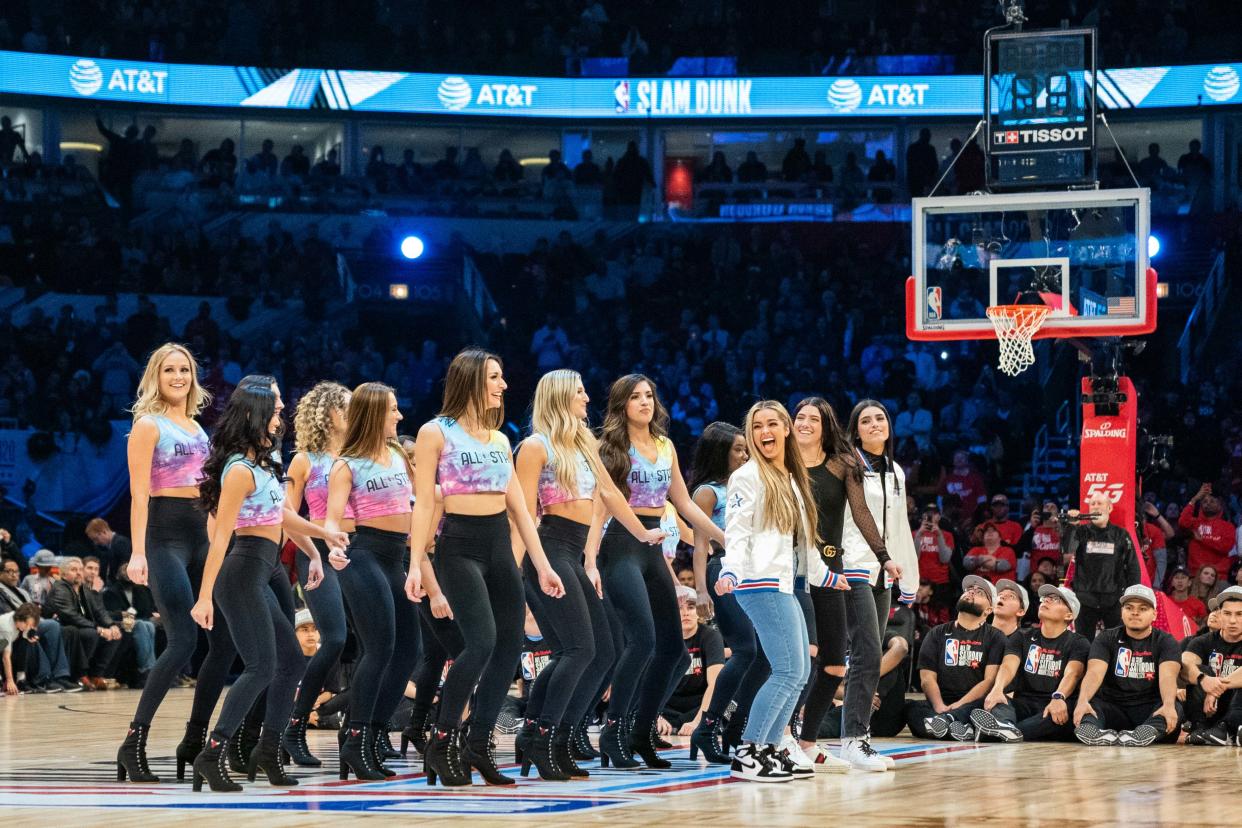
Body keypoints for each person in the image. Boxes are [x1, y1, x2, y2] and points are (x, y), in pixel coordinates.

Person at [405, 350, 566, 788]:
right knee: (480, 643)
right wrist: (417, 562)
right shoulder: (434, 432)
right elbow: (422, 507)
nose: (504, 385)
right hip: (458, 546)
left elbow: (521, 509)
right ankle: (441, 740)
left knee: (510, 645)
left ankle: (478, 744)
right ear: (473, 380)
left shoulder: (499, 439)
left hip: (498, 545)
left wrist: (543, 565)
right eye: (495, 377)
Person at [188, 383, 344, 792]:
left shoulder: (264, 464)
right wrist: (204, 597)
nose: (279, 418)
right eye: (273, 413)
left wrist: (325, 536)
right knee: (260, 667)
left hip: (259, 571)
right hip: (239, 574)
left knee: (290, 661)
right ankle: (211, 753)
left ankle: (268, 750)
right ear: (255, 416)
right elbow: (221, 537)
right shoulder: (238, 470)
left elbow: (283, 518)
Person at [513, 370, 663, 780]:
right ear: (561, 397)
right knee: (578, 650)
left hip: (573, 553)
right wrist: (525, 570)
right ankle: (545, 737)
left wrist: (643, 533)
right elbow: (523, 514)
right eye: (579, 391)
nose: (586, 397)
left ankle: (543, 735)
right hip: (549, 550)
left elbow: (611, 495)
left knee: (602, 652)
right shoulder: (534, 447)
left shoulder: (583, 442)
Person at [593, 374, 724, 770]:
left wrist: (722, 535)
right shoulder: (610, 446)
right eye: (635, 397)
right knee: (643, 641)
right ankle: (613, 730)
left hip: (653, 548)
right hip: (619, 545)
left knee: (674, 649)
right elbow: (603, 504)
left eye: (649, 395)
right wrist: (588, 557)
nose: (645, 402)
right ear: (622, 405)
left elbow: (683, 501)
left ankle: (640, 730)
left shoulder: (665, 445)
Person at [115, 343, 231, 784]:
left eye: (184, 369)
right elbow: (139, 494)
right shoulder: (148, 425)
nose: (178, 376)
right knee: (182, 641)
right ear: (156, 376)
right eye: (169, 370)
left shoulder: (198, 429)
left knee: (224, 641)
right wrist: (138, 551)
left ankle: (196, 739)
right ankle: (133, 743)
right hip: (163, 536)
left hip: (200, 534)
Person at [716, 401, 835, 782]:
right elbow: (737, 531)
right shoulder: (747, 477)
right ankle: (750, 751)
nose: (765, 431)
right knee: (786, 670)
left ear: (785, 429)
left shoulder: (790, 479)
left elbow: (804, 543)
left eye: (772, 423)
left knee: (798, 673)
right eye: (757, 426)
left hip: (784, 584)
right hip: (757, 583)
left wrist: (826, 575)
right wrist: (731, 570)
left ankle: (767, 749)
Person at [325, 382, 421, 781]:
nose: (399, 416)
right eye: (392, 410)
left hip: (396, 556)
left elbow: (422, 498)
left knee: (409, 650)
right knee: (379, 647)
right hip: (363, 556)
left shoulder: (398, 454)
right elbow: (332, 517)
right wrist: (332, 541)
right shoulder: (346, 463)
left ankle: (371, 731)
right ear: (373, 413)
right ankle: (356, 738)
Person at [792, 397, 882, 772]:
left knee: (833, 664)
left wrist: (884, 554)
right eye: (800, 417)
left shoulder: (843, 464)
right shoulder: (782, 464)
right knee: (796, 658)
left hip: (831, 569)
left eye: (814, 418)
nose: (806, 423)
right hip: (789, 571)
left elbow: (861, 512)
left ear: (826, 426)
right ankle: (777, 739)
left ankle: (808, 741)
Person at [839, 399, 918, 771]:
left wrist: (909, 577)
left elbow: (900, 525)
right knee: (868, 651)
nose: (875, 425)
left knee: (861, 654)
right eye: (866, 421)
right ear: (855, 430)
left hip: (885, 573)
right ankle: (855, 738)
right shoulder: (848, 464)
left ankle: (840, 737)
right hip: (852, 565)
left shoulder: (896, 471)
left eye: (880, 418)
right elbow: (857, 516)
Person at [281, 381, 352, 768]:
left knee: (378, 645)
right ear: (328, 415)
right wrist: (313, 551)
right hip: (319, 554)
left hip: (360, 551)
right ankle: (295, 724)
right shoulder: (304, 460)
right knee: (335, 638)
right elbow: (287, 517)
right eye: (347, 407)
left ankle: (359, 729)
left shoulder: (361, 454)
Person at [689, 422, 754, 765]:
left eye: (746, 449)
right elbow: (700, 547)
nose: (745, 454)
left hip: (753, 573)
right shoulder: (708, 492)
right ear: (721, 453)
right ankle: (708, 726)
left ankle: (736, 726)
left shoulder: (748, 484)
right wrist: (701, 591)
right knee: (745, 650)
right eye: (738, 449)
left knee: (760, 656)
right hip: (722, 573)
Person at [971, 583, 1090, 742]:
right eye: (1045, 598)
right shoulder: (1022, 636)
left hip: (1055, 704)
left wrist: (1059, 697)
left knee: (1060, 713)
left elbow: (1073, 674)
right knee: (998, 701)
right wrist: (998, 689)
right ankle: (1005, 729)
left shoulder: (1078, 642)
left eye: (1055, 599)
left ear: (1069, 615)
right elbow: (1008, 666)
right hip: (1025, 704)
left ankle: (1001, 731)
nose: (1046, 600)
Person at [1073, 585, 1182, 746]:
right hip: (1114, 707)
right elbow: (1094, 673)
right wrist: (1082, 701)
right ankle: (1091, 731)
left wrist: (1168, 705)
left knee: (1174, 706)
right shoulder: (1106, 638)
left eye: (1143, 608)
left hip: (1148, 707)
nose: (1135, 612)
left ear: (1154, 614)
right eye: (1129, 607)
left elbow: (1168, 676)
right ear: (1121, 612)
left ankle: (1145, 733)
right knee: (1090, 703)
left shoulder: (1166, 641)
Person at [907, 575, 1005, 741]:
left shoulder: (996, 636)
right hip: (941, 701)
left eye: (980, 592)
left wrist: (958, 706)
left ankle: (945, 726)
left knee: (983, 709)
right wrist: (939, 706)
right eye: (968, 590)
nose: (971, 592)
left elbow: (989, 681)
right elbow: (927, 678)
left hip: (973, 702)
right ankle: (955, 729)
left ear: (989, 610)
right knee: (911, 708)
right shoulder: (937, 632)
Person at [1062, 492, 1141, 641]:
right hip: (1085, 598)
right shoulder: (1081, 531)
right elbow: (1068, 549)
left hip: (1114, 598)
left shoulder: (1121, 534)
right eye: (1092, 504)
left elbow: (1133, 566)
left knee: (1116, 642)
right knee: (1082, 644)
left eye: (1100, 503)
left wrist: (1132, 596)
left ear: (1109, 508)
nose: (1095, 506)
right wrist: (1072, 527)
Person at [47, 557, 124, 690]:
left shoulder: (83, 589)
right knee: (91, 634)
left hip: (83, 626)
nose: (78, 573)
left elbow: (99, 611)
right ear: (63, 574)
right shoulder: (60, 587)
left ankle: (96, 674)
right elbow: (70, 615)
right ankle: (80, 674)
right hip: (64, 626)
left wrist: (111, 625)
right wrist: (98, 629)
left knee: (115, 635)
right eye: (73, 570)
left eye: (80, 570)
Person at [659, 585, 725, 737]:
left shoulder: (711, 636)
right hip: (668, 709)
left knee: (729, 704)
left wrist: (697, 722)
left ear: (698, 612)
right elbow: (645, 684)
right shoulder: (662, 638)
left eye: (690, 607)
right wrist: (653, 717)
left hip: (700, 706)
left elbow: (715, 683)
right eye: (679, 608)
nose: (685, 613)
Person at [1180, 586, 1242, 745]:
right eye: (1227, 614)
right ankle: (1199, 728)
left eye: (1240, 614)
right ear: (1219, 614)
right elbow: (1185, 663)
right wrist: (1203, 679)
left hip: (1236, 706)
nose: (1233, 620)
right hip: (1209, 709)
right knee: (1200, 670)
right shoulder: (1202, 641)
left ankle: (1227, 729)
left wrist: (1215, 688)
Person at [1179, 485, 1235, 577]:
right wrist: (1194, 499)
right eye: (1204, 501)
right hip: (1195, 574)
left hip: (1219, 576)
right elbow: (1182, 522)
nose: (1208, 504)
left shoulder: (1228, 526)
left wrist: (1202, 540)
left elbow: (1225, 546)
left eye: (1212, 501)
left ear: (1220, 504)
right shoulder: (1194, 523)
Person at [915, 503, 954, 611]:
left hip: (940, 583)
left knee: (940, 617)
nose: (931, 516)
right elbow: (914, 558)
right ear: (923, 516)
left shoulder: (947, 535)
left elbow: (945, 559)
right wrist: (919, 535)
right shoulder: (914, 534)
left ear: (939, 516)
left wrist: (939, 535)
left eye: (934, 513)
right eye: (928, 513)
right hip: (919, 583)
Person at [85, 518, 132, 583]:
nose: (96, 543)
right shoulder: (112, 545)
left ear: (104, 532)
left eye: (95, 539)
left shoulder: (121, 543)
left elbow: (125, 568)